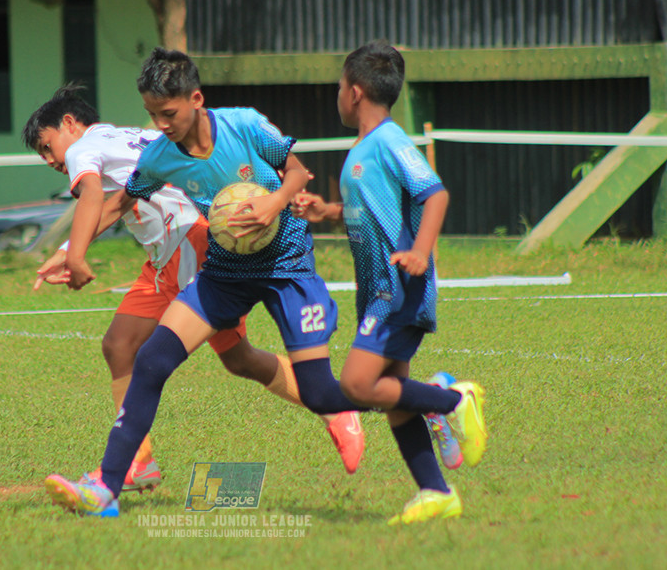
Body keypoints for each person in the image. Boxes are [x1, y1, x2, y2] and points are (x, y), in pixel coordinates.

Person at [43, 49, 372, 517]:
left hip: (287, 264)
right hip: (224, 272)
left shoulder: (244, 125)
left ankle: (439, 399)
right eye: (152, 115)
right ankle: (107, 487)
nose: (161, 124)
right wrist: (69, 252)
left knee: (319, 391)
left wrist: (273, 203)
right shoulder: (160, 155)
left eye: (169, 113)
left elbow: (297, 171)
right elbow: (117, 204)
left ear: (196, 98)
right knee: (152, 357)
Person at [291, 40, 487, 525]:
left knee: (359, 383)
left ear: (355, 92)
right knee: (395, 396)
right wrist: (329, 211)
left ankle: (450, 400)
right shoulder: (364, 148)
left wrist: (421, 252)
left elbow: (434, 194)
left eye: (339, 86)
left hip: (396, 287)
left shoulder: (390, 141)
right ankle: (435, 492)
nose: (336, 95)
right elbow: (376, 209)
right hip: (378, 287)